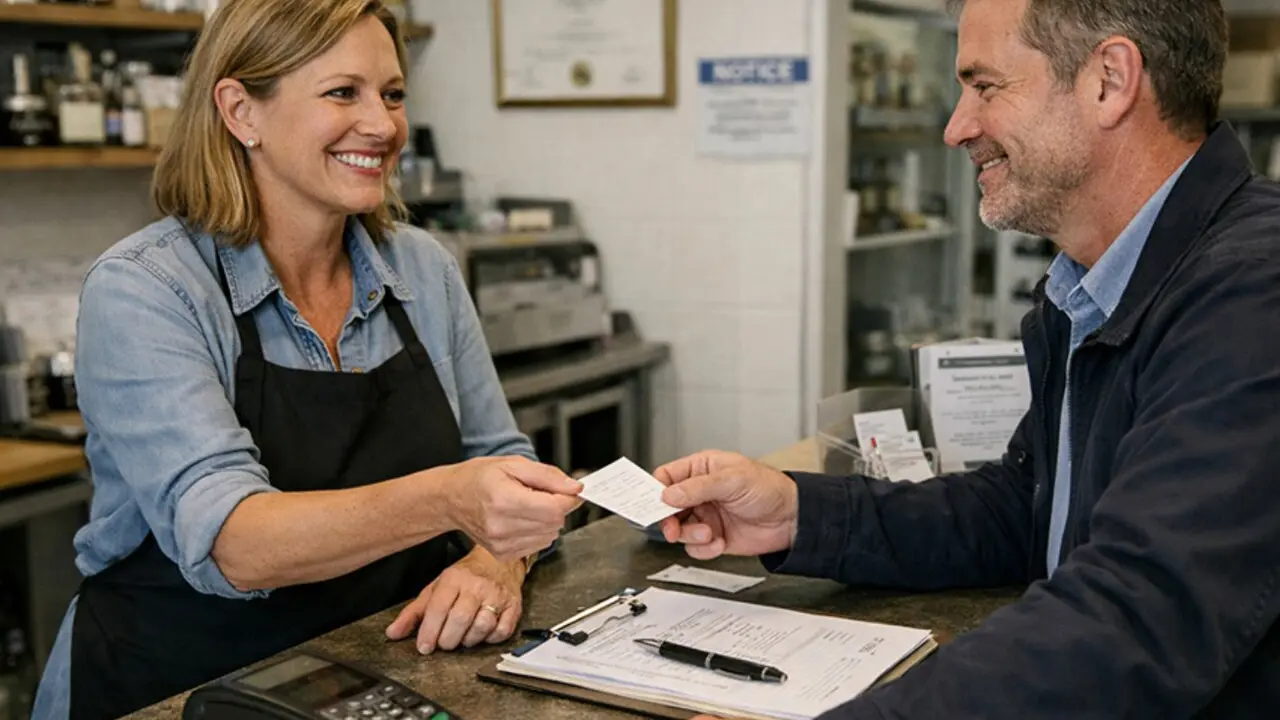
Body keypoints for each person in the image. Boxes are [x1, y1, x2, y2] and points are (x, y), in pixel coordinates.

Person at [658, 0, 1280, 717]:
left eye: (985, 87)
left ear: (1110, 80)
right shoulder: (1093, 284)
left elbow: (1137, 618)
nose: (957, 128)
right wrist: (800, 514)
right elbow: (1023, 509)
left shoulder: (1252, 292)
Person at [31, 2, 584, 718]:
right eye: (341, 92)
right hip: (177, 685)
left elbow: (506, 463)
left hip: (371, 676)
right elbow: (232, 541)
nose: (383, 126)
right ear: (240, 111)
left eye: (391, 93)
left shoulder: (423, 269)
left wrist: (495, 563)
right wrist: (449, 497)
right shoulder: (148, 288)